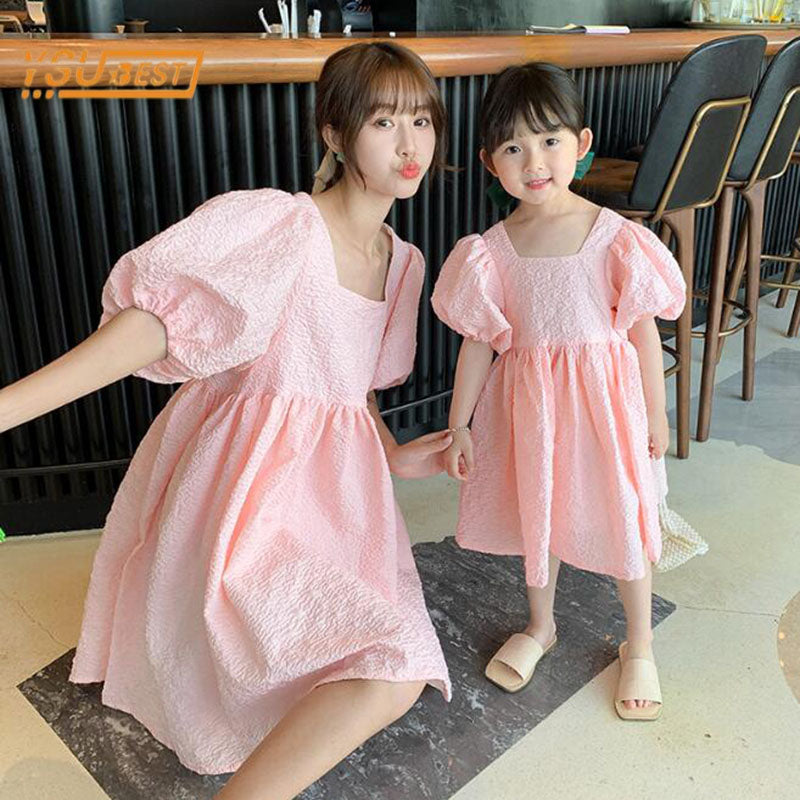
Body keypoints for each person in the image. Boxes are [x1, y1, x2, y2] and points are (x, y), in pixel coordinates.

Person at [0, 42, 453, 799]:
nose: (410, 145)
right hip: (248, 494)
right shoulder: (281, 226)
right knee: (380, 666)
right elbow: (157, 326)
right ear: (336, 135)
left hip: (342, 505)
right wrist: (9, 406)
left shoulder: (403, 262)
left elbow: (357, 394)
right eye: (383, 122)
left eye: (422, 121)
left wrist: (399, 456)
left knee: (393, 662)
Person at [431, 62, 686, 721]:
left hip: (606, 411)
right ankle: (540, 624)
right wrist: (460, 425)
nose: (534, 161)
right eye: (513, 148)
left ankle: (640, 641)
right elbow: (479, 343)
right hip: (532, 415)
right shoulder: (491, 251)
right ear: (490, 162)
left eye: (549, 141)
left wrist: (656, 415)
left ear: (582, 142)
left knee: (622, 515)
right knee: (537, 510)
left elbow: (641, 331)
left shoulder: (615, 238)